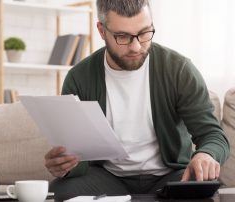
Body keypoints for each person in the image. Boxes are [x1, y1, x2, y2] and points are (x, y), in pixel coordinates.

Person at [44, 0, 230, 197]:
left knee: (199, 190)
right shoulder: (79, 78)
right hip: (107, 178)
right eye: (122, 36)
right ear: (102, 30)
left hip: (169, 175)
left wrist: (206, 154)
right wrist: (65, 166)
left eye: (144, 33)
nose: (135, 46)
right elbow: (78, 154)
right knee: (61, 191)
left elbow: (213, 135)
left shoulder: (179, 70)